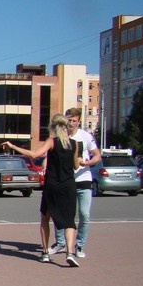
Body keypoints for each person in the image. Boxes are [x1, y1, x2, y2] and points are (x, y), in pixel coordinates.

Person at [4, 114, 82, 267]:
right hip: (68, 186)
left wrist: (13, 146)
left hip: (52, 185)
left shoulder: (51, 142)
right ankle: (70, 252)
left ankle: (45, 252)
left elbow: (34, 154)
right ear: (66, 127)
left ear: (52, 128)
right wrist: (79, 160)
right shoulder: (75, 144)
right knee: (69, 221)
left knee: (45, 218)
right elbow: (76, 166)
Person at [47, 107, 101, 259]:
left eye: (74, 121)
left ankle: (80, 244)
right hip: (64, 181)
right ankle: (60, 243)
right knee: (59, 214)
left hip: (83, 179)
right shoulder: (58, 137)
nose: (71, 124)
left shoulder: (85, 136)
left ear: (78, 122)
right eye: (69, 120)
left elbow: (97, 155)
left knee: (84, 214)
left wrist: (88, 162)